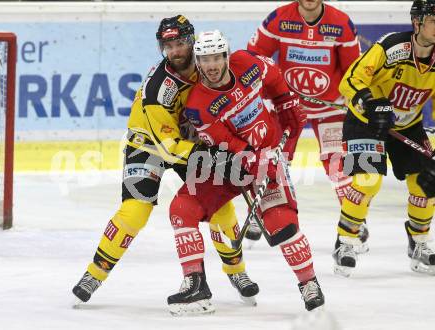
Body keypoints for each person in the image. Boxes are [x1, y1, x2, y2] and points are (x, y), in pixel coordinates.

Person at [72, 15, 259, 307]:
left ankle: (237, 272)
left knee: (220, 207)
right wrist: (212, 155)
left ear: (192, 40)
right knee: (134, 211)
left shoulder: (208, 62)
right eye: (168, 45)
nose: (176, 50)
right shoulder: (158, 91)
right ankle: (94, 274)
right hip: (149, 145)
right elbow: (169, 146)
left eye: (181, 42)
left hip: (191, 142)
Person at [166, 30, 324, 315]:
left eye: (216, 57)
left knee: (282, 225)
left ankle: (308, 283)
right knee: (182, 208)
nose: (212, 65)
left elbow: (275, 81)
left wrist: (286, 109)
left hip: (269, 154)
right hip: (229, 163)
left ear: (226, 56)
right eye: (205, 59)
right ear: (198, 62)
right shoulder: (198, 105)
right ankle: (195, 283)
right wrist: (254, 158)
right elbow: (228, 144)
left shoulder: (248, 63)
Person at [246, 0, 370, 249]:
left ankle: (353, 217)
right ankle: (264, 211)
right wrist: (267, 91)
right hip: (287, 103)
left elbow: (352, 71)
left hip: (329, 105)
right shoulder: (278, 18)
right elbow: (254, 59)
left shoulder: (341, 23)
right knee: (271, 159)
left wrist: (356, 98)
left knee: (338, 163)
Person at [333, 0, 435, 277]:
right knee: (368, 181)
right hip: (366, 121)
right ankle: (346, 241)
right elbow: (351, 79)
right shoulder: (392, 47)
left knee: (426, 183)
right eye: (434, 20)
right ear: (417, 23)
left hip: (407, 125)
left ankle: (419, 242)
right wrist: (370, 101)